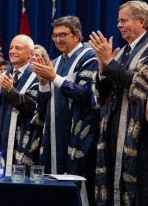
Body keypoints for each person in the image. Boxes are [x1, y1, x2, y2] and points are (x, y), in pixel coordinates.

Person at [89, 0, 148, 206]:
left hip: (140, 137)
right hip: (114, 129)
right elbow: (105, 94)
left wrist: (109, 63)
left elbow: (140, 85)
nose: (118, 25)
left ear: (141, 21)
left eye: (123, 20)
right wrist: (103, 69)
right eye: (118, 20)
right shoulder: (125, 51)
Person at [32, 15, 99, 205]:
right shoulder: (56, 61)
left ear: (77, 36)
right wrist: (44, 83)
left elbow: (86, 95)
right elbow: (44, 104)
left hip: (78, 134)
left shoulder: (89, 57)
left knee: (76, 186)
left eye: (63, 35)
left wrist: (54, 77)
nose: (58, 40)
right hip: (53, 134)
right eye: (55, 36)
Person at [0, 34, 40, 176]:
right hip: (2, 138)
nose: (12, 51)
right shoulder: (5, 75)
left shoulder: (37, 76)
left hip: (24, 141)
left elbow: (32, 108)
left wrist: (11, 91)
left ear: (31, 53)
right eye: (11, 47)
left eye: (18, 48)